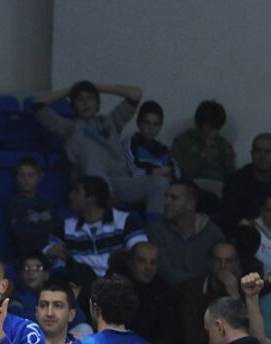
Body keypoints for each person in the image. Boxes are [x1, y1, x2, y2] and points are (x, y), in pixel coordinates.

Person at [31, 81, 166, 215]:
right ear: (73, 105)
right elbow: (37, 104)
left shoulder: (111, 121)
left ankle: (154, 226)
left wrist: (98, 87)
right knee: (90, 151)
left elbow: (135, 94)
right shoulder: (67, 127)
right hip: (90, 187)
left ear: (97, 103)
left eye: (90, 98)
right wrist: (71, 89)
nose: (86, 103)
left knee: (158, 183)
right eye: (80, 100)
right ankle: (105, 209)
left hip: (120, 182)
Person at [44, 176, 146, 294]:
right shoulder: (66, 226)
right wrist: (53, 253)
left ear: (91, 199)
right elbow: (49, 252)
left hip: (121, 286)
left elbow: (142, 252)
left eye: (77, 192)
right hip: (86, 289)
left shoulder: (124, 220)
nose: (70, 196)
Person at [146, 179, 225, 288]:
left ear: (190, 204)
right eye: (166, 197)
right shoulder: (156, 230)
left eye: (174, 198)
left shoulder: (213, 232)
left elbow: (222, 267)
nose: (166, 202)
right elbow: (165, 272)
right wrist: (203, 283)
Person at [220, 133, 271, 231]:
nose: (262, 156)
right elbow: (228, 218)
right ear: (252, 154)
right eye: (258, 151)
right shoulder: (235, 181)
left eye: (268, 152)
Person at [170, 100, 236, 194]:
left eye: (217, 128)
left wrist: (228, 162)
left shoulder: (223, 144)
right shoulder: (183, 141)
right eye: (210, 127)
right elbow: (181, 174)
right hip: (190, 185)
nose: (214, 132)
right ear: (200, 124)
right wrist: (203, 154)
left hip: (217, 186)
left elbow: (231, 179)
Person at [5, 158, 56, 261]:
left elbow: (54, 226)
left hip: (50, 250)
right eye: (22, 175)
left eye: (30, 175)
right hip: (27, 254)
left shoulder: (46, 202)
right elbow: (21, 234)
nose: (26, 180)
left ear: (39, 178)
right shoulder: (14, 204)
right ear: (16, 178)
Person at [124, 101, 179, 179]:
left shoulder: (163, 149)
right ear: (138, 123)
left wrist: (170, 171)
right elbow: (132, 171)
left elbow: (178, 172)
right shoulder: (130, 144)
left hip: (166, 183)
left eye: (156, 124)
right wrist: (155, 172)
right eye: (146, 123)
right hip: (143, 183)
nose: (151, 128)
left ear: (160, 126)